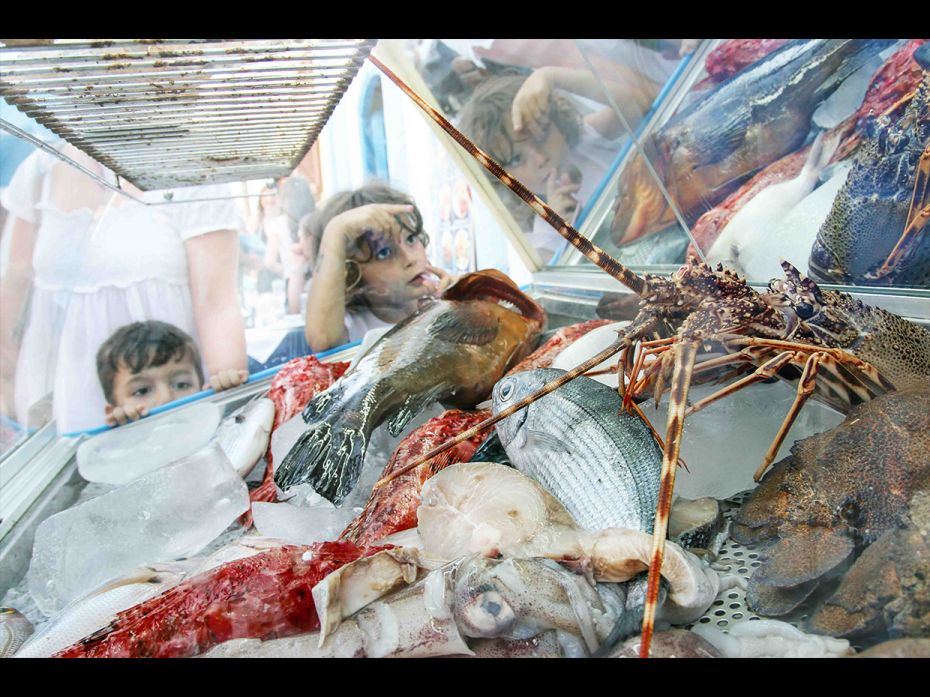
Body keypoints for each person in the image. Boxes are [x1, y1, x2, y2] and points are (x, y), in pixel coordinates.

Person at [0, 143, 249, 432]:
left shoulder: (195, 172)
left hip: (167, 407)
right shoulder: (39, 170)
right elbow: (14, 284)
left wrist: (224, 408)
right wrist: (5, 389)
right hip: (58, 410)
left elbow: (217, 305)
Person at [456, 68, 660, 260]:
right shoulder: (544, 234)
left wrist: (551, 76)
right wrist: (561, 231)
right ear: (500, 178)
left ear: (558, 122)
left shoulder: (586, 139)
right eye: (516, 159)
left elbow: (640, 102)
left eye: (541, 134)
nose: (540, 158)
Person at [303, 182, 455, 353]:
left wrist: (462, 303)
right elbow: (321, 339)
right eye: (384, 252)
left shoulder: (440, 304)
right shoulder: (356, 327)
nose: (410, 259)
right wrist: (335, 230)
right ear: (351, 275)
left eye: (411, 239)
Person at [97, 320, 246, 427]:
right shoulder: (120, 454)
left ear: (201, 388)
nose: (166, 398)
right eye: (142, 391)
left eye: (181, 384)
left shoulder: (212, 427)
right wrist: (121, 432)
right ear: (113, 410)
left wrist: (230, 399)